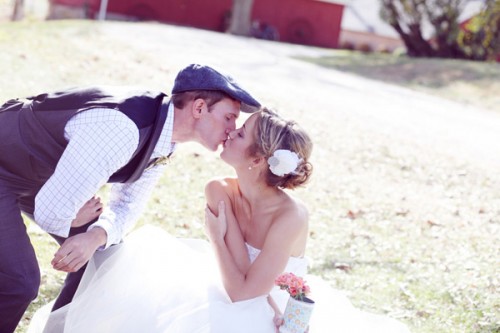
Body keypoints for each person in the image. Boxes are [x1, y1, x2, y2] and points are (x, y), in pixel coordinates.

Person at [28, 108, 411, 333]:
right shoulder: (218, 189)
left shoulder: (290, 216)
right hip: (227, 283)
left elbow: (247, 292)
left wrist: (216, 235)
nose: (231, 132)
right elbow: (239, 280)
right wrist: (221, 238)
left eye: (241, 133)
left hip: (277, 310)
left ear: (258, 160)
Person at [0, 63, 260, 333]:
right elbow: (51, 211)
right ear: (198, 108)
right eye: (230, 117)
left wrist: (95, 236)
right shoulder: (122, 130)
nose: (232, 128)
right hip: (4, 169)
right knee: (20, 281)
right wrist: (72, 214)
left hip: (38, 181)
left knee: (104, 259)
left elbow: (127, 207)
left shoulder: (163, 139)